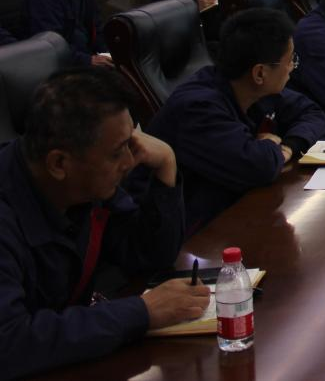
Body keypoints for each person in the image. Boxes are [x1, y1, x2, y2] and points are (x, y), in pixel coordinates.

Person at [0, 69, 211, 376]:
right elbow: (10, 342)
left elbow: (147, 256)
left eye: (130, 143)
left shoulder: (82, 183)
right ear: (59, 163)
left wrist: (167, 164)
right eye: (116, 153)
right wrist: (141, 312)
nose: (130, 162)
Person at [147, 9, 325, 231]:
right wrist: (270, 148)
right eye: (290, 60)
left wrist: (288, 147)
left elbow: (314, 114)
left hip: (236, 211)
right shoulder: (197, 109)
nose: (292, 67)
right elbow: (259, 167)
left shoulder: (254, 88)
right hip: (191, 233)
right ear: (260, 73)